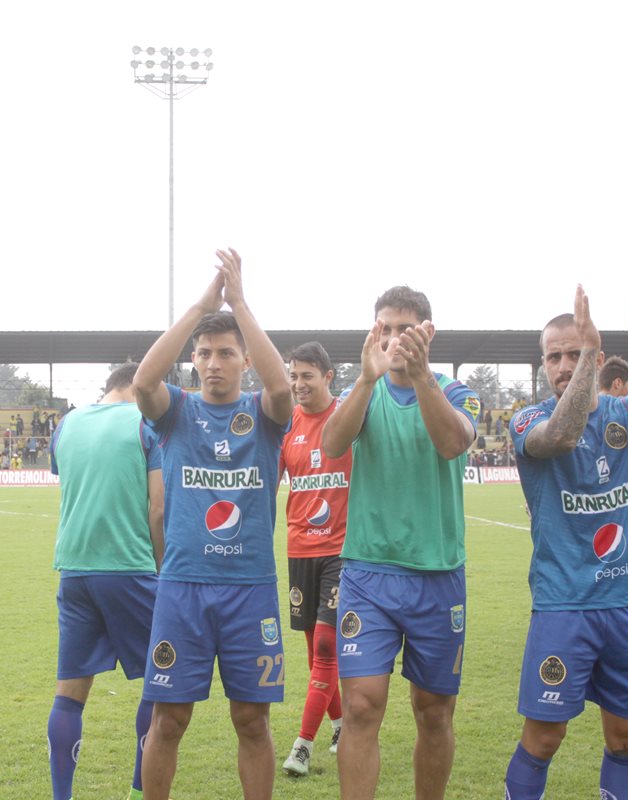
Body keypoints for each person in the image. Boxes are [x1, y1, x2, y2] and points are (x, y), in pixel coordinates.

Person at [503, 285, 628, 800]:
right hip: (563, 606)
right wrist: (592, 355)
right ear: (543, 363)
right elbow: (562, 436)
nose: (564, 363)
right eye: (555, 356)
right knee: (545, 737)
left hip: (627, 606)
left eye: (575, 352)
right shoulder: (527, 420)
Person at [132, 248, 292, 800]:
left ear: (244, 359)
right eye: (205, 353)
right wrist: (202, 306)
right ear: (194, 360)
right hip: (184, 588)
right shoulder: (176, 411)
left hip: (250, 588)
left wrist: (241, 304)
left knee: (252, 722)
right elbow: (143, 381)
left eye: (226, 352)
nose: (214, 362)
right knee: (168, 721)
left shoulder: (264, 416)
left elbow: (282, 389)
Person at [323, 287, 480, 800]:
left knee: (433, 710)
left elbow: (452, 442)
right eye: (383, 328)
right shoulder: (365, 390)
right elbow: (330, 445)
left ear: (426, 332)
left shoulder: (456, 392)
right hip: (369, 575)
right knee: (362, 705)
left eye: (404, 328)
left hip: (437, 576)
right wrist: (366, 378)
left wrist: (422, 375)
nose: (392, 338)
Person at [46, 362, 164, 800]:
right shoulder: (147, 423)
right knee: (160, 684)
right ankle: (138, 791)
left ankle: (62, 796)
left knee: (70, 693)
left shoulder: (68, 423)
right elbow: (158, 510)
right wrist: (162, 567)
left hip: (74, 570)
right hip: (130, 567)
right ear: (139, 386)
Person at [278, 342, 352, 778]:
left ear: (328, 377)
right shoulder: (287, 425)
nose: (298, 384)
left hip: (343, 552)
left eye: (307, 375)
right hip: (299, 550)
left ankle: (302, 746)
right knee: (313, 650)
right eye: (294, 375)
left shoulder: (350, 416)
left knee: (326, 646)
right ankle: (341, 725)